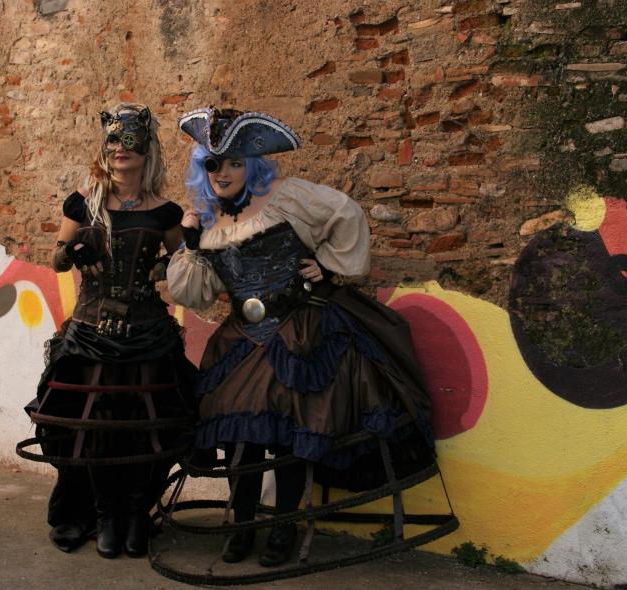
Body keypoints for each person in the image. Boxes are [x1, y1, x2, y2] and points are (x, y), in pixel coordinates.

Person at [166, 107, 440, 568]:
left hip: (296, 331)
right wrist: (191, 245)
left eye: (234, 162)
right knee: (237, 433)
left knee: (288, 434)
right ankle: (242, 524)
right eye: (213, 164)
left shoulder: (286, 197)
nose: (223, 173)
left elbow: (346, 213)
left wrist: (328, 267)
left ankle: (283, 526)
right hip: (240, 338)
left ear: (252, 164)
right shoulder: (209, 221)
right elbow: (195, 292)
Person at [20, 103, 194, 560]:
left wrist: (161, 266)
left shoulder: (165, 212)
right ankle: (106, 517)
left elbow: (180, 261)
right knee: (93, 429)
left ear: (147, 150)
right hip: (91, 334)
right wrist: (76, 249)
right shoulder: (84, 203)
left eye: (130, 140)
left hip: (147, 334)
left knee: (144, 429)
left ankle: (137, 515)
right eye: (113, 140)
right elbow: (57, 259)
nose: (120, 149)